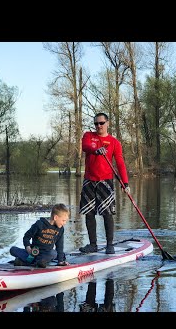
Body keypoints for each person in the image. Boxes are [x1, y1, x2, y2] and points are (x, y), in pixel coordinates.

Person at [79, 112, 130, 255]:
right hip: (89, 179)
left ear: (107, 123)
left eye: (101, 123)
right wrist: (96, 151)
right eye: (96, 123)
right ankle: (93, 245)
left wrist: (125, 183)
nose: (98, 126)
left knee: (107, 213)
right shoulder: (88, 136)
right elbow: (85, 147)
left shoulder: (114, 142)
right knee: (89, 213)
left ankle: (109, 245)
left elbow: (120, 163)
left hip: (106, 181)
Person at [10, 203, 70, 268]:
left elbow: (59, 246)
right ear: (55, 217)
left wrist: (60, 262)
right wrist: (28, 249)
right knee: (13, 249)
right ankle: (35, 262)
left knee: (54, 253)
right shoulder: (39, 224)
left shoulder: (60, 229)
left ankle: (26, 262)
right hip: (33, 254)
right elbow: (26, 237)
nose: (65, 223)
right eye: (63, 220)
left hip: (46, 254)